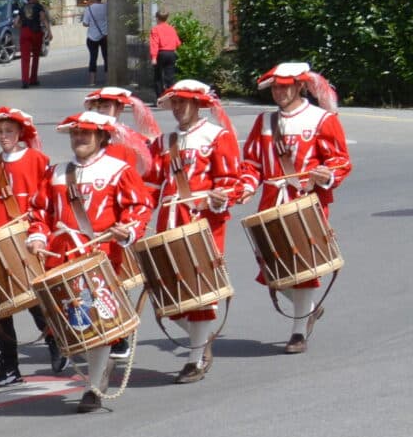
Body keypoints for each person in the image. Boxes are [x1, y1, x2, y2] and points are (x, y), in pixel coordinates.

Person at [48, 109, 155, 412]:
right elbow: (39, 213)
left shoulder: (118, 170)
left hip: (101, 259)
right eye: (75, 133)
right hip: (63, 261)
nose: (79, 138)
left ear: (101, 137)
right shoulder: (57, 172)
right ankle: (96, 370)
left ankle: (93, 385)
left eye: (85, 133)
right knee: (75, 324)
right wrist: (38, 237)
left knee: (99, 322)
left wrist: (128, 229)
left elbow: (139, 206)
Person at [243, 61, 352, 355]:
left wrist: (326, 174)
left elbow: (340, 160)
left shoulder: (321, 119)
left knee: (304, 268)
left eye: (286, 86)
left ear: (300, 87)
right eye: (276, 87)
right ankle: (311, 310)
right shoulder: (264, 123)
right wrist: (245, 186)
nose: (279, 92)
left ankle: (298, 331)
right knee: (272, 271)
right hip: (271, 202)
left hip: (306, 202)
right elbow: (251, 165)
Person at [152, 80, 257, 383]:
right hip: (168, 223)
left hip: (202, 223)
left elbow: (231, 181)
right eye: (175, 102)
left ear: (198, 105)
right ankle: (203, 338)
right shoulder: (164, 141)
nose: (179, 108)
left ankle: (195, 358)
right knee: (169, 299)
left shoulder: (217, 136)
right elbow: (148, 184)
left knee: (198, 293)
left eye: (185, 102)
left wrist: (219, 195)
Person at [0, 107, 60, 386]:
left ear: (19, 133)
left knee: (34, 297)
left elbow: (48, 198)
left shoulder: (38, 160)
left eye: (9, 131)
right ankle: (9, 366)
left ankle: (54, 338)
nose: (4, 137)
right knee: (0, 309)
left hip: (27, 237)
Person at [17, 0, 49, 87]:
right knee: (35, 57)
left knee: (25, 58)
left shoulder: (22, 8)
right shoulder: (39, 7)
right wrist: (49, 32)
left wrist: (22, 29)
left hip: (24, 32)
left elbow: (16, 22)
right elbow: (43, 19)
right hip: (36, 32)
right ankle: (33, 79)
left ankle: (25, 81)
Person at [147, 15, 181, 96]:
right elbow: (178, 43)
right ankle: (171, 96)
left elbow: (154, 43)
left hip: (161, 53)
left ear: (157, 18)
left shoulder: (156, 29)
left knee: (158, 76)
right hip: (171, 53)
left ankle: (160, 97)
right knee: (170, 76)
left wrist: (154, 57)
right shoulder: (171, 28)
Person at [82, 0, 110, 82]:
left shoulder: (88, 9)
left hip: (92, 37)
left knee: (93, 58)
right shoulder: (106, 7)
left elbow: (85, 23)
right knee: (106, 57)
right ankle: (108, 79)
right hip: (105, 36)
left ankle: (92, 80)